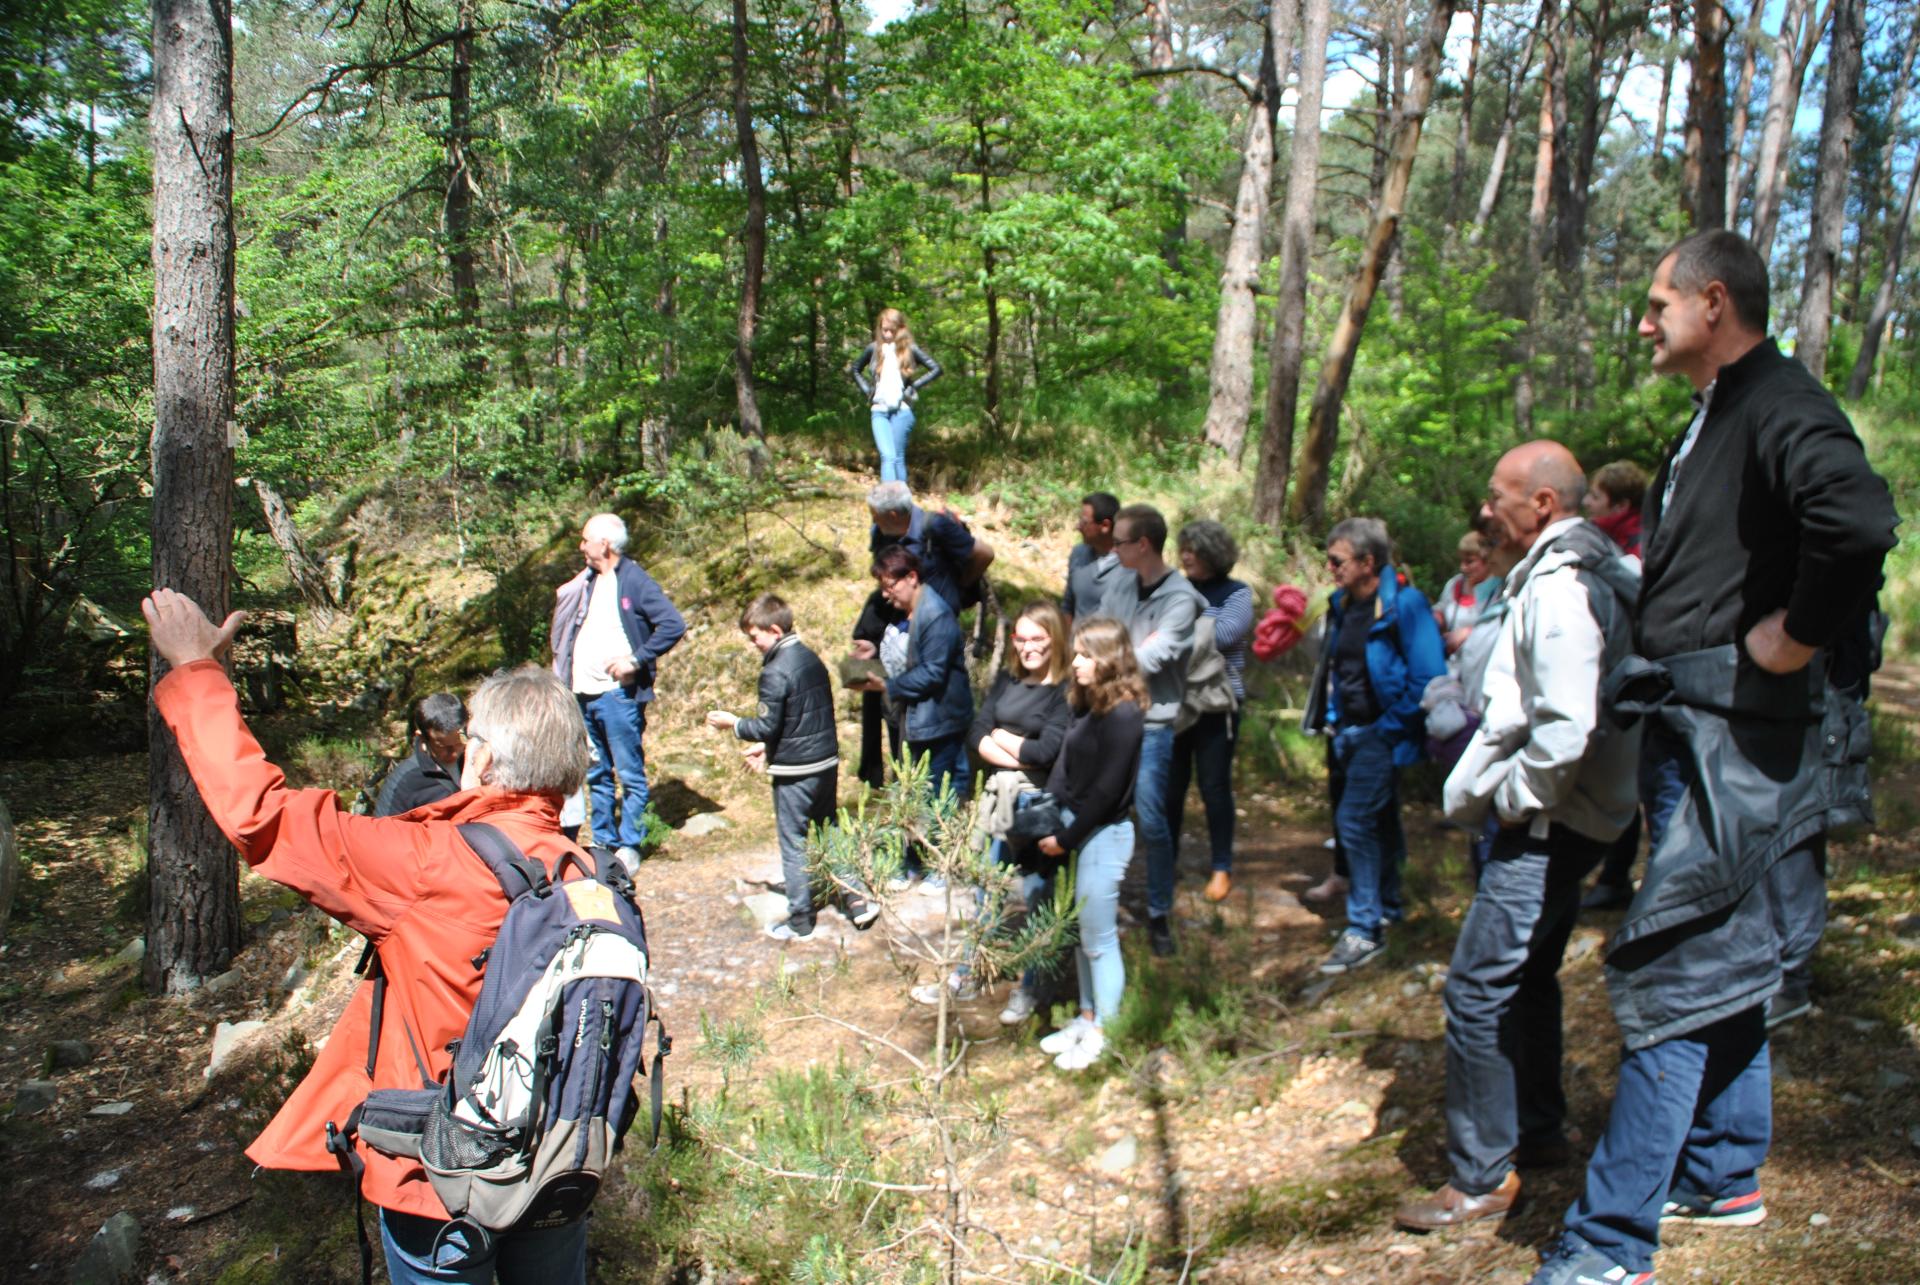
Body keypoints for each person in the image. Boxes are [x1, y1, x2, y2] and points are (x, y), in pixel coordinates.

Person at [1532, 231, 1897, 1285]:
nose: (1644, 322)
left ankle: (1609, 1244)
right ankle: (1724, 1170)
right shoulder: (1717, 414)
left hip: (1750, 737)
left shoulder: (1782, 402)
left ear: (1715, 302)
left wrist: (1795, 635)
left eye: (1658, 304)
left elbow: (1860, 521)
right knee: (1734, 952)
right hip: (1707, 723)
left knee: (1679, 959)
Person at [142, 588, 604, 1284]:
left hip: (438, 1178)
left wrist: (194, 667)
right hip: (558, 1167)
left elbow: (262, 817)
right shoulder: (587, 872)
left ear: (480, 760)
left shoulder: (427, 862)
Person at [1393, 442, 1640, 1233]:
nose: (1485, 510)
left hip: (1547, 822)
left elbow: (1567, 727)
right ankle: (1536, 1130)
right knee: (1529, 973)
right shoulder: (1590, 570)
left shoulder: (1564, 588)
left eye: (1497, 495)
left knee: (1475, 989)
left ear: (1541, 504)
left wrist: (1514, 800)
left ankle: (1479, 1175)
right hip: (1572, 816)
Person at [1301, 517, 1445, 975]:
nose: (1330, 568)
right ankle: (1387, 906)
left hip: (1382, 734)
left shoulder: (1405, 605)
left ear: (1368, 562)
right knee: (1378, 821)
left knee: (1354, 822)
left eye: (1337, 560)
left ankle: (1364, 930)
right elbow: (1339, 672)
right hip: (1347, 732)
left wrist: (1385, 729)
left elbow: (1428, 678)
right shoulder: (1343, 604)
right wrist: (1335, 722)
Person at [918, 601, 1073, 1019]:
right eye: (1020, 639)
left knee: (1038, 895)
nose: (1027, 647)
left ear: (1055, 639)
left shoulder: (1065, 689)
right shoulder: (1007, 680)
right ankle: (969, 973)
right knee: (985, 891)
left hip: (1039, 803)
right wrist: (1015, 749)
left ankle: (1032, 985)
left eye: (1036, 638)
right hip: (999, 798)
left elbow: (1049, 750)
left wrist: (1001, 739)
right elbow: (976, 732)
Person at [708, 594, 874, 941]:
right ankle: (857, 899)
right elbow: (803, 717)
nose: (753, 644)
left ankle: (801, 919)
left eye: (755, 636)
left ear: (773, 629)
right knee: (828, 831)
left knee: (794, 841)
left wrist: (734, 724)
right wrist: (767, 748)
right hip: (825, 763)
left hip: (796, 771)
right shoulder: (810, 658)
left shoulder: (775, 670)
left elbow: (768, 725)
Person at [1033, 617, 1147, 1072]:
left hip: (1103, 835)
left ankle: (1106, 1031)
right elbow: (1064, 765)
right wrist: (1048, 808)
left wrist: (1065, 837)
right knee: (1081, 937)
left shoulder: (1124, 714)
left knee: (1099, 939)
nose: (1074, 663)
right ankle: (1086, 1017)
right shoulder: (1086, 703)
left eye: (1084, 655)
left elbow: (1105, 792)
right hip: (1075, 826)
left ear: (1109, 660)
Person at [1096, 503, 1204, 957]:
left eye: (1119, 541)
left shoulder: (1181, 599)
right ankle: (1100, 899)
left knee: (1152, 818)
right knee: (1102, 810)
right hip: (1109, 715)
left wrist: (1105, 657)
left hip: (1154, 722)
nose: (1112, 547)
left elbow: (1152, 658)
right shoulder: (1119, 582)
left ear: (1143, 544)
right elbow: (1098, 633)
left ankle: (1159, 912)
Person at [551, 512, 686, 872]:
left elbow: (672, 624)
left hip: (617, 697)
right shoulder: (589, 581)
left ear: (604, 544)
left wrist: (636, 660)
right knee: (595, 772)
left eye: (585, 540)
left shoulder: (634, 581)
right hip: (584, 695)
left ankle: (629, 845)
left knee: (629, 774)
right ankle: (602, 840)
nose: (581, 546)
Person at [853, 547, 975, 885]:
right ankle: (913, 862)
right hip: (919, 720)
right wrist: (873, 654)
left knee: (938, 795)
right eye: (882, 586)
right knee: (912, 792)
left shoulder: (935, 615)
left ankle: (939, 869)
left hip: (939, 721)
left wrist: (886, 687)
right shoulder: (908, 612)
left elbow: (933, 674)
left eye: (890, 584)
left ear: (912, 577)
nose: (885, 592)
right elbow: (906, 654)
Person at [1171, 520, 1253, 904]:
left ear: (1213, 554)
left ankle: (1222, 867)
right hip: (1175, 700)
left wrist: (1176, 632)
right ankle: (1164, 862)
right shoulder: (1175, 586)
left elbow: (1225, 635)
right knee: (1170, 787)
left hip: (1219, 704)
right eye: (1184, 548)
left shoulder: (1237, 593)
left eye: (1195, 549)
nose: (1187, 556)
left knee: (1214, 786)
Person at [848, 307, 943, 483]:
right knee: (888, 456)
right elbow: (855, 369)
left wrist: (914, 386)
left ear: (901, 329)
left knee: (897, 458)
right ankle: (889, 504)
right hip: (879, 410)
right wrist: (867, 389)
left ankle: (902, 504)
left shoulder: (910, 349)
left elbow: (936, 368)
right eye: (885, 330)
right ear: (880, 329)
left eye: (892, 330)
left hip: (902, 411)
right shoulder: (874, 349)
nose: (888, 334)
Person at [374, 692, 468, 816]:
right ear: (422, 737)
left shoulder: (480, 757)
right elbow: (384, 831)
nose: (454, 753)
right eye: (443, 746)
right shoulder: (404, 781)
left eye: (459, 743)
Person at [1435, 531, 1501, 662]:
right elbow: (1441, 608)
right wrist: (1435, 618)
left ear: (1488, 560)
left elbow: (1500, 628)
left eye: (1469, 561)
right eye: (1461, 561)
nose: (1463, 568)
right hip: (1452, 666)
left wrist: (1468, 633)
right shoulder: (1454, 584)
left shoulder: (1500, 589)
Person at [1062, 492, 1121, 622]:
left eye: (1084, 522)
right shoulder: (1078, 555)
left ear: (1105, 526)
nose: (1078, 527)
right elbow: (1068, 605)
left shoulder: (1130, 564)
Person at [1582, 460, 1647, 561]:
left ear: (1621, 506)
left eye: (1595, 497)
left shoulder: (1640, 548)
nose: (1586, 501)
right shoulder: (1602, 533)